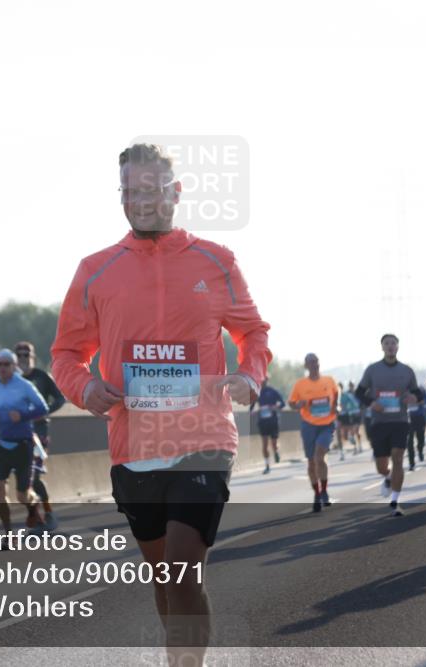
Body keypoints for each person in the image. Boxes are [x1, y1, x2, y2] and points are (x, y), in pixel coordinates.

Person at [51, 143, 271, 665]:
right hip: (134, 447)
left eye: (150, 190)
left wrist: (248, 375)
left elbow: (253, 333)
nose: (140, 201)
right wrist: (86, 389)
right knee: (166, 582)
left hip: (203, 441)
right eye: (130, 191)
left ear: (174, 193)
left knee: (181, 569)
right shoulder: (95, 271)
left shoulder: (216, 261)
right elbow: (65, 353)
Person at [0, 348, 49, 539]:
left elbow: (43, 408)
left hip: (23, 445)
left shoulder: (24, 386)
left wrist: (23, 415)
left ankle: (33, 506)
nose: (2, 368)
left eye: (6, 364)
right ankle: (8, 533)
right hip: (3, 445)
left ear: (14, 366)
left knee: (22, 495)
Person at [354, 334, 423, 517]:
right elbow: (359, 392)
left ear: (398, 347)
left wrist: (414, 398)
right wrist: (371, 403)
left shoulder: (407, 371)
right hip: (379, 422)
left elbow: (418, 393)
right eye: (387, 344)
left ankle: (395, 500)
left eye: (393, 343)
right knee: (382, 466)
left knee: (398, 457)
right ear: (382, 347)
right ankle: (387, 477)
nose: (390, 346)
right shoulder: (373, 370)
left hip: (400, 421)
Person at [14, 341, 67, 532]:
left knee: (33, 475)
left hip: (39, 432)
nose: (23, 358)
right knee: (22, 480)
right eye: (19, 355)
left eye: (26, 355)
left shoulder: (42, 377)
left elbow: (61, 398)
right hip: (18, 433)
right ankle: (36, 519)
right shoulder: (11, 380)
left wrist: (46, 411)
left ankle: (48, 513)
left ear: (33, 357)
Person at [289, 354, 340, 511]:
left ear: (319, 363)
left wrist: (335, 406)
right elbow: (291, 402)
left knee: (319, 456)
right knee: (311, 462)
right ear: (306, 366)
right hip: (309, 425)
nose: (314, 364)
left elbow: (337, 393)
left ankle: (324, 492)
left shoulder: (329, 380)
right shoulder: (300, 384)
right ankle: (317, 495)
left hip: (327, 424)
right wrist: (299, 405)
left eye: (316, 361)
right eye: (310, 362)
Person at [250, 375, 284, 473]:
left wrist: (274, 407)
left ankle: (276, 451)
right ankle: (267, 465)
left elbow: (282, 404)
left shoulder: (273, 391)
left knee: (274, 443)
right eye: (260, 379)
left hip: (273, 421)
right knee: (264, 444)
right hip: (263, 422)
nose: (262, 381)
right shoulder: (256, 392)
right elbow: (251, 409)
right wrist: (256, 411)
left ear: (267, 380)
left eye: (264, 379)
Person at [405, 385, 426, 471]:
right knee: (409, 441)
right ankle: (411, 462)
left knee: (420, 437)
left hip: (419, 416)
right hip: (408, 418)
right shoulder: (402, 390)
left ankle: (420, 450)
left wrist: (417, 402)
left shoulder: (420, 390)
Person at [338, 382, 362, 455]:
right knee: (343, 435)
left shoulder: (347, 395)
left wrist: (349, 409)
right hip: (338, 416)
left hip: (347, 415)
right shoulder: (334, 395)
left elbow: (355, 404)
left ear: (341, 388)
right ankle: (345, 445)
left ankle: (356, 447)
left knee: (354, 431)